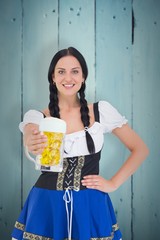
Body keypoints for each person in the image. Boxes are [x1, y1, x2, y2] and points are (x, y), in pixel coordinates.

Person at [12, 47, 149, 240]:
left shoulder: (101, 111)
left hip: (90, 203)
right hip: (47, 203)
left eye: (75, 71)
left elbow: (140, 149)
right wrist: (31, 140)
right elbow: (30, 132)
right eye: (61, 71)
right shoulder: (38, 116)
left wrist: (113, 183)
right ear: (53, 77)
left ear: (83, 76)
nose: (68, 78)